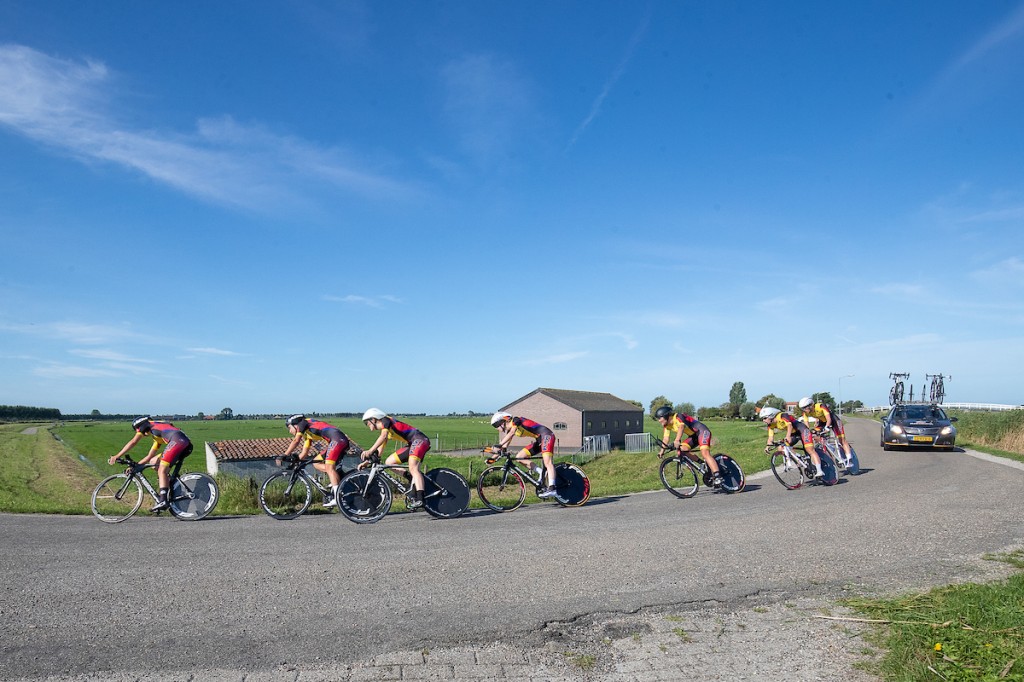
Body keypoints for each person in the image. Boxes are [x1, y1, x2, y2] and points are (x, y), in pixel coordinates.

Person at [108, 416, 194, 512]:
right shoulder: (157, 435)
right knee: (153, 461)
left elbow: (133, 442)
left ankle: (163, 500)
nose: (139, 432)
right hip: (183, 442)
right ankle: (169, 485)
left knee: (162, 470)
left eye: (137, 430)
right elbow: (149, 456)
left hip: (177, 441)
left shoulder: (148, 424)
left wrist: (117, 456)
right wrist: (136, 465)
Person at [359, 408, 430, 510]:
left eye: (367, 422)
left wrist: (369, 450)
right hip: (412, 443)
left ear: (373, 419)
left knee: (413, 468)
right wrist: (367, 462)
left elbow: (383, 437)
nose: (367, 425)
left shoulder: (386, 421)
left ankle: (420, 499)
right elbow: (379, 452)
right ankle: (411, 478)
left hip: (419, 440)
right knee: (389, 462)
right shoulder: (386, 430)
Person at [281, 414, 353, 508]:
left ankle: (337, 497)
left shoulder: (303, 423)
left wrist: (284, 455)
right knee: (316, 463)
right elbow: (304, 453)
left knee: (329, 467)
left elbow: (296, 441)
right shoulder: (307, 434)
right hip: (337, 440)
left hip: (337, 440)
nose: (290, 431)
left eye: (289, 428)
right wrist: (295, 461)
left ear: (295, 424)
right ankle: (337, 479)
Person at [490, 412, 563, 500]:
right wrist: (492, 459)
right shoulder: (509, 431)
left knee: (548, 462)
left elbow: (512, 433)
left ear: (502, 422)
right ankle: (541, 472)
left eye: (495, 425)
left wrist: (500, 444)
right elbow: (504, 447)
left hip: (546, 436)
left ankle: (552, 488)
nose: (496, 428)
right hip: (539, 440)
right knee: (519, 457)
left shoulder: (516, 420)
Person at [653, 405, 723, 487]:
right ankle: (702, 463)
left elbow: (681, 427)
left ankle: (718, 476)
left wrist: (677, 440)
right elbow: (665, 438)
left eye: (659, 418)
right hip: (693, 437)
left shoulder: (678, 416)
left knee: (705, 453)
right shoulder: (667, 426)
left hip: (702, 431)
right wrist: (662, 451)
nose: (659, 420)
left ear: (665, 416)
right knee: (681, 450)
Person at [759, 405, 824, 478]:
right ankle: (799, 458)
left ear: (771, 416)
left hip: (802, 430)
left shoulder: (782, 415)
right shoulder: (770, 425)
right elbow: (770, 438)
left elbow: (789, 425)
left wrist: (788, 436)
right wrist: (768, 446)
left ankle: (819, 471)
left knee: (809, 450)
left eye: (764, 418)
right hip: (793, 434)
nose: (763, 421)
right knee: (781, 447)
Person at [797, 397, 853, 464]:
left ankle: (849, 459)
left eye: (805, 407)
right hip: (822, 422)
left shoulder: (821, 406)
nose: (804, 410)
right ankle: (829, 447)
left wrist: (827, 427)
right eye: (802, 408)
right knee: (814, 433)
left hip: (833, 420)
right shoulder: (805, 413)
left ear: (811, 405)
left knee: (842, 440)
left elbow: (828, 419)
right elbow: (807, 426)